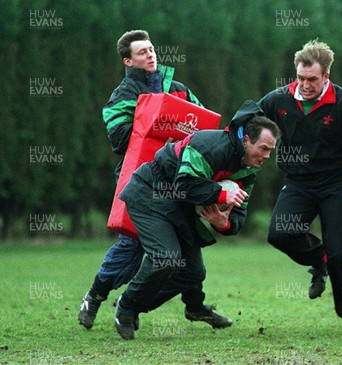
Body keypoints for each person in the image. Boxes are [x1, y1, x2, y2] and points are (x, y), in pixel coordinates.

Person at [78, 29, 224, 330]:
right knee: (131, 247)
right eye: (142, 52)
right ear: (128, 61)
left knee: (187, 245)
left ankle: (193, 306)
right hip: (140, 181)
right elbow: (119, 139)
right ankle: (95, 295)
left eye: (152, 49)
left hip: (180, 180)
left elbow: (203, 125)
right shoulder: (122, 95)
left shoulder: (179, 89)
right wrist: (156, 118)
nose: (150, 54)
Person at [114, 101, 281, 339]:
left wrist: (223, 224)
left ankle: (140, 304)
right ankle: (126, 306)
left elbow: (238, 217)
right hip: (150, 193)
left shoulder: (248, 171)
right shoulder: (210, 146)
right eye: (263, 148)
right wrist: (221, 193)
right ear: (246, 141)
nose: (266, 156)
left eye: (270, 151)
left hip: (180, 208)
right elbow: (184, 185)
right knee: (166, 257)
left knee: (192, 272)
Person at [258, 39, 342, 332]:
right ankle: (320, 260)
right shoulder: (278, 100)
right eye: (300, 78)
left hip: (337, 183)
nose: (304, 85)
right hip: (298, 183)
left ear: (326, 76)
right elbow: (247, 122)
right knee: (280, 234)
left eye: (312, 79)